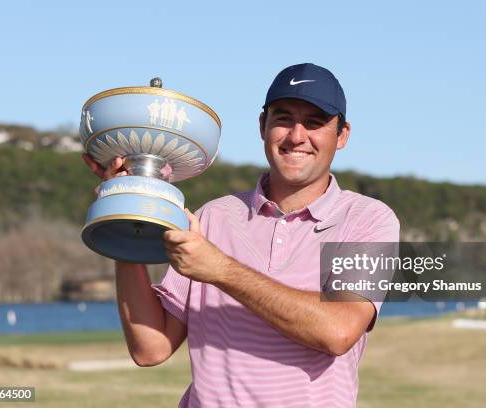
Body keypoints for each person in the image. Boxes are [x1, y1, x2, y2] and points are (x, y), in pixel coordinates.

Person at [83, 63, 399, 407]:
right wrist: (128, 209)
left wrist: (220, 270)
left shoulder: (368, 219)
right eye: (283, 118)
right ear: (262, 126)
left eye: (314, 122)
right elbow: (150, 348)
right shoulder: (214, 217)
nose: (296, 136)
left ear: (342, 135)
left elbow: (338, 331)